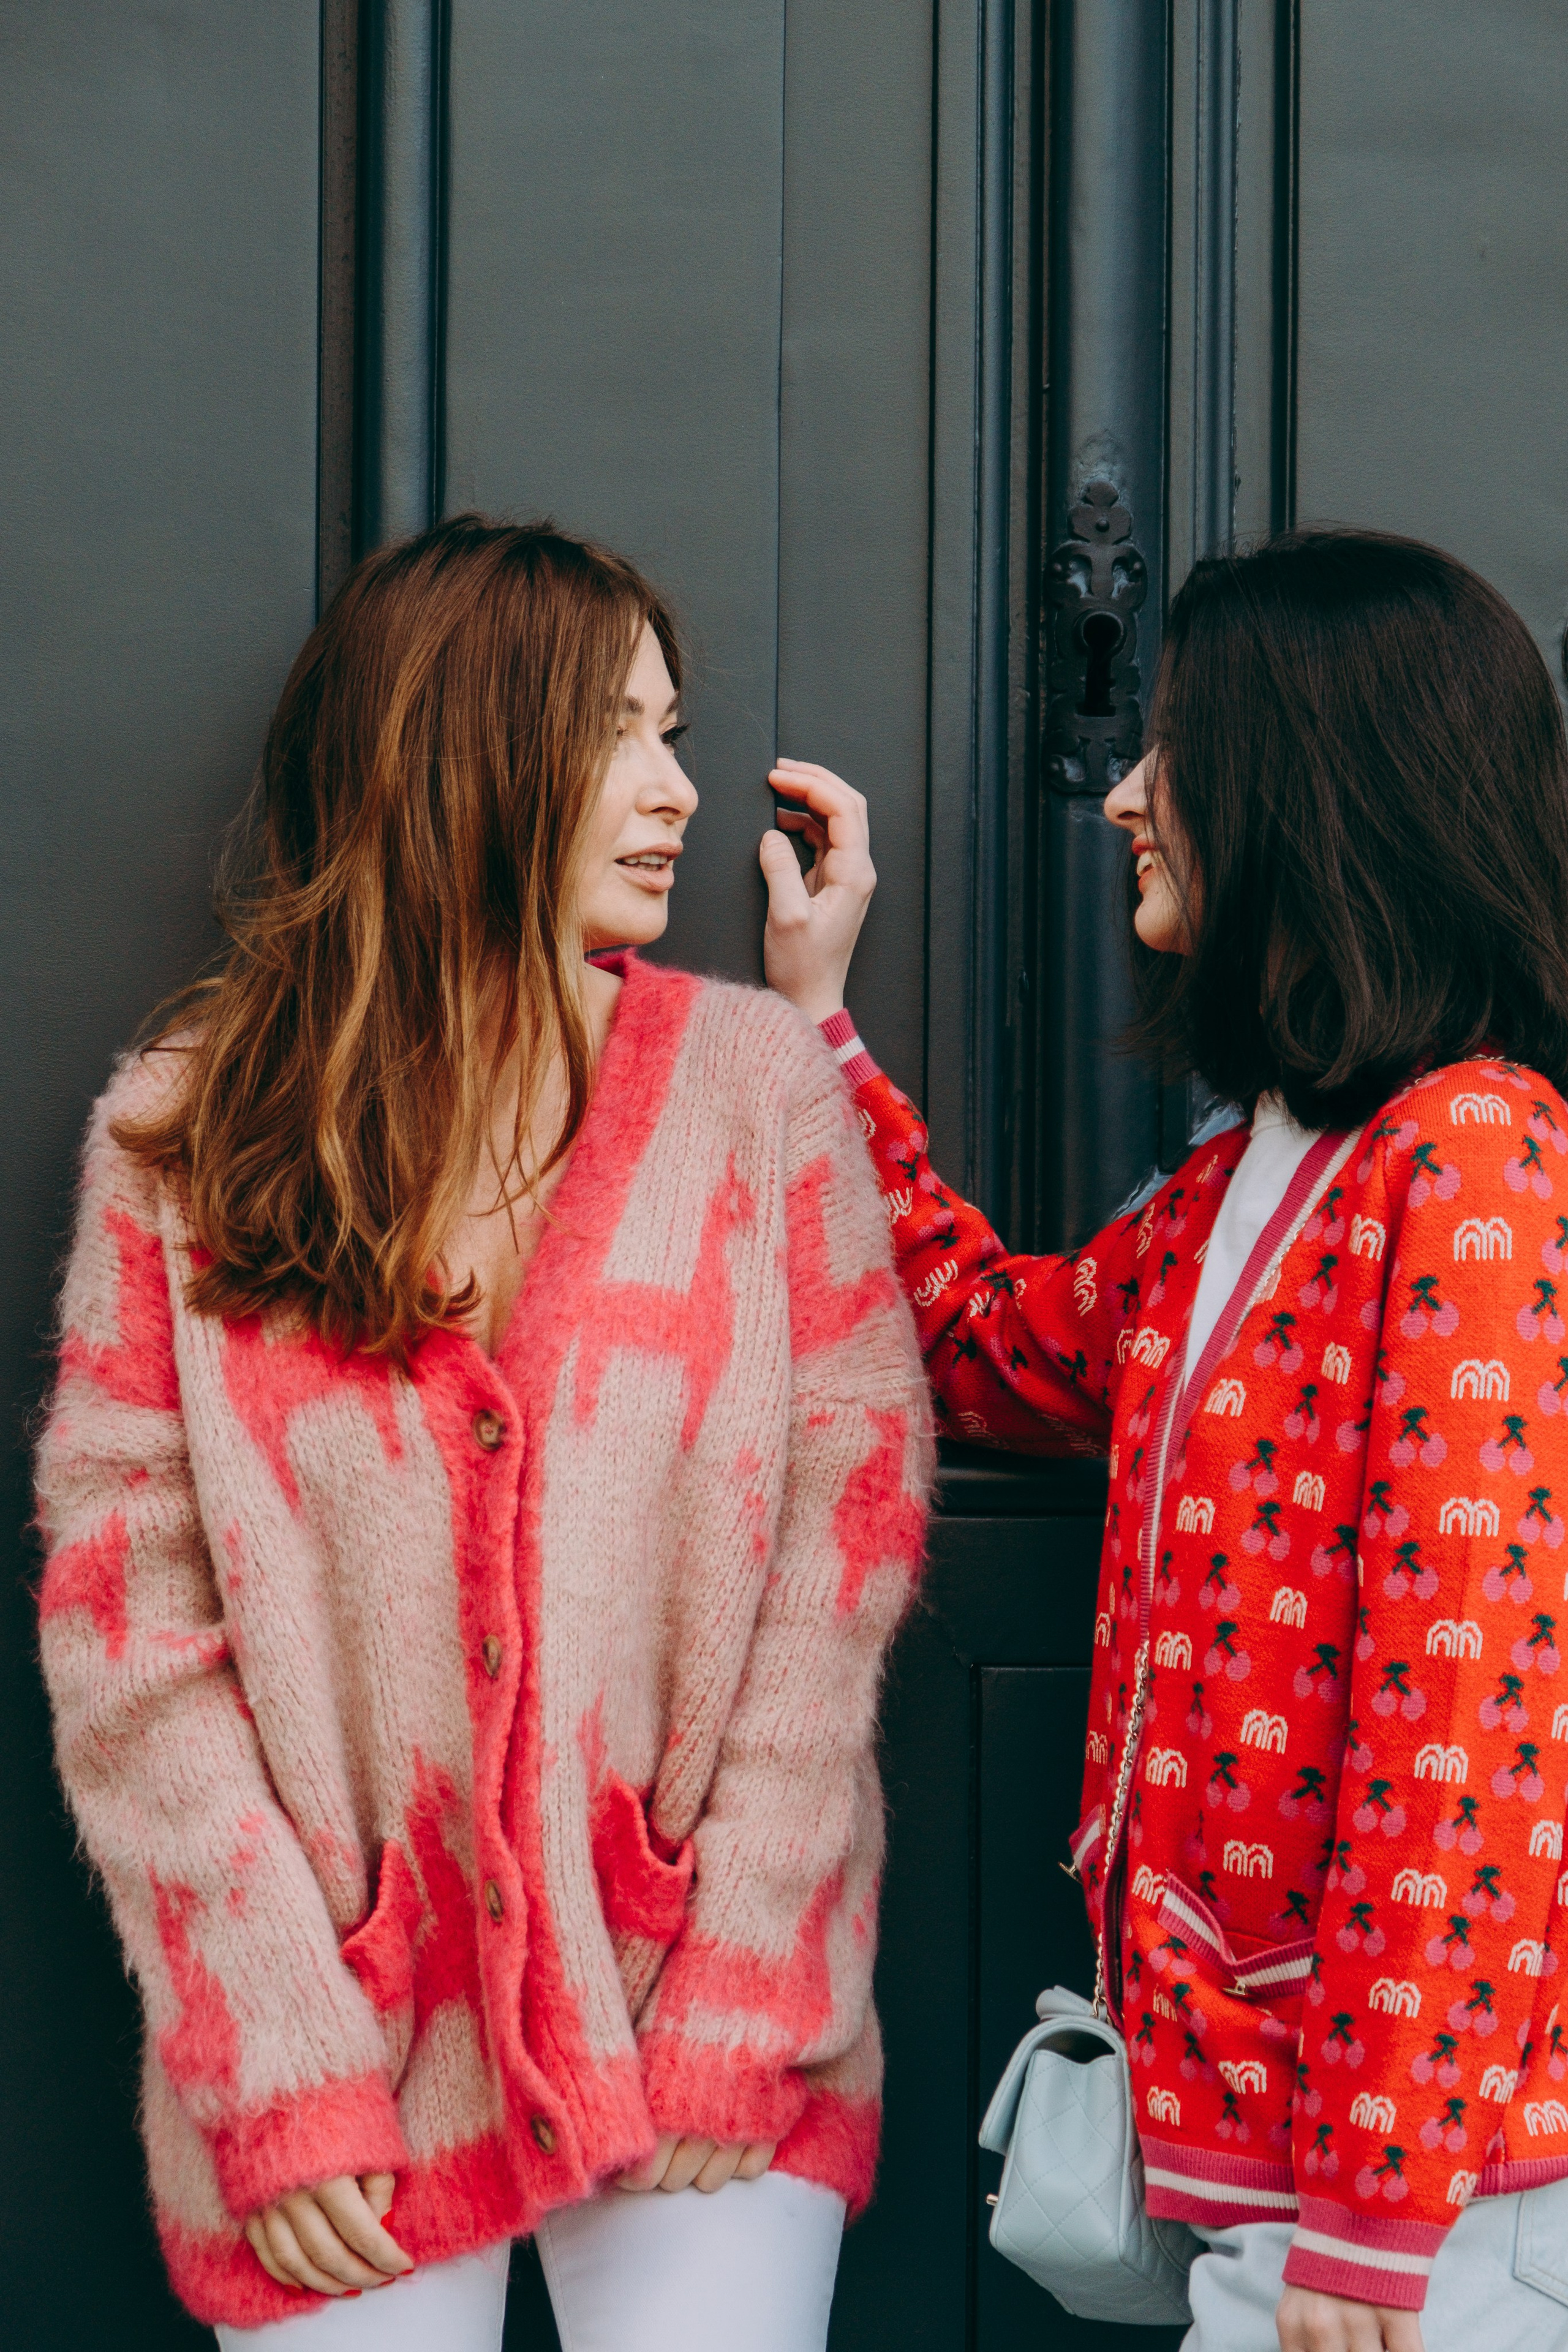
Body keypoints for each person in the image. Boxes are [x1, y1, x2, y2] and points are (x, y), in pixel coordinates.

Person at [36, 515, 932, 2350]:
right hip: (347, 2059)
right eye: (626, 733)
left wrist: (738, 1996)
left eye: (676, 731)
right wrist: (277, 2065)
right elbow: (130, 1651)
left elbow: (836, 1584)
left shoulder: (759, 1094)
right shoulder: (187, 1140)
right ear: (464, 751)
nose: (681, 790)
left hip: (698, 2025)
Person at [759, 529, 1568, 2352]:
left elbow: (1468, 1725)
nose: (1127, 797)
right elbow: (986, 1348)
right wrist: (817, 1027)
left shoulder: (1474, 1160)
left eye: (1175, 752)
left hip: (1425, 2224)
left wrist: (1373, 2219)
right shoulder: (1245, 1179)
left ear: (1309, 785)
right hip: (1296, 2189)